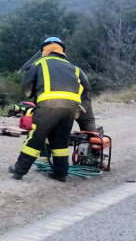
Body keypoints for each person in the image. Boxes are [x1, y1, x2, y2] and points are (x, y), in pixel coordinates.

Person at [9, 37, 91, 182]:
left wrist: (34, 96)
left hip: (48, 106)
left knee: (35, 138)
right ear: (62, 51)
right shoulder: (75, 68)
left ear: (44, 50)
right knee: (60, 141)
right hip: (70, 108)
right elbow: (86, 89)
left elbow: (27, 89)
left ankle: (19, 170)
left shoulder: (39, 63)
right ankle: (61, 174)